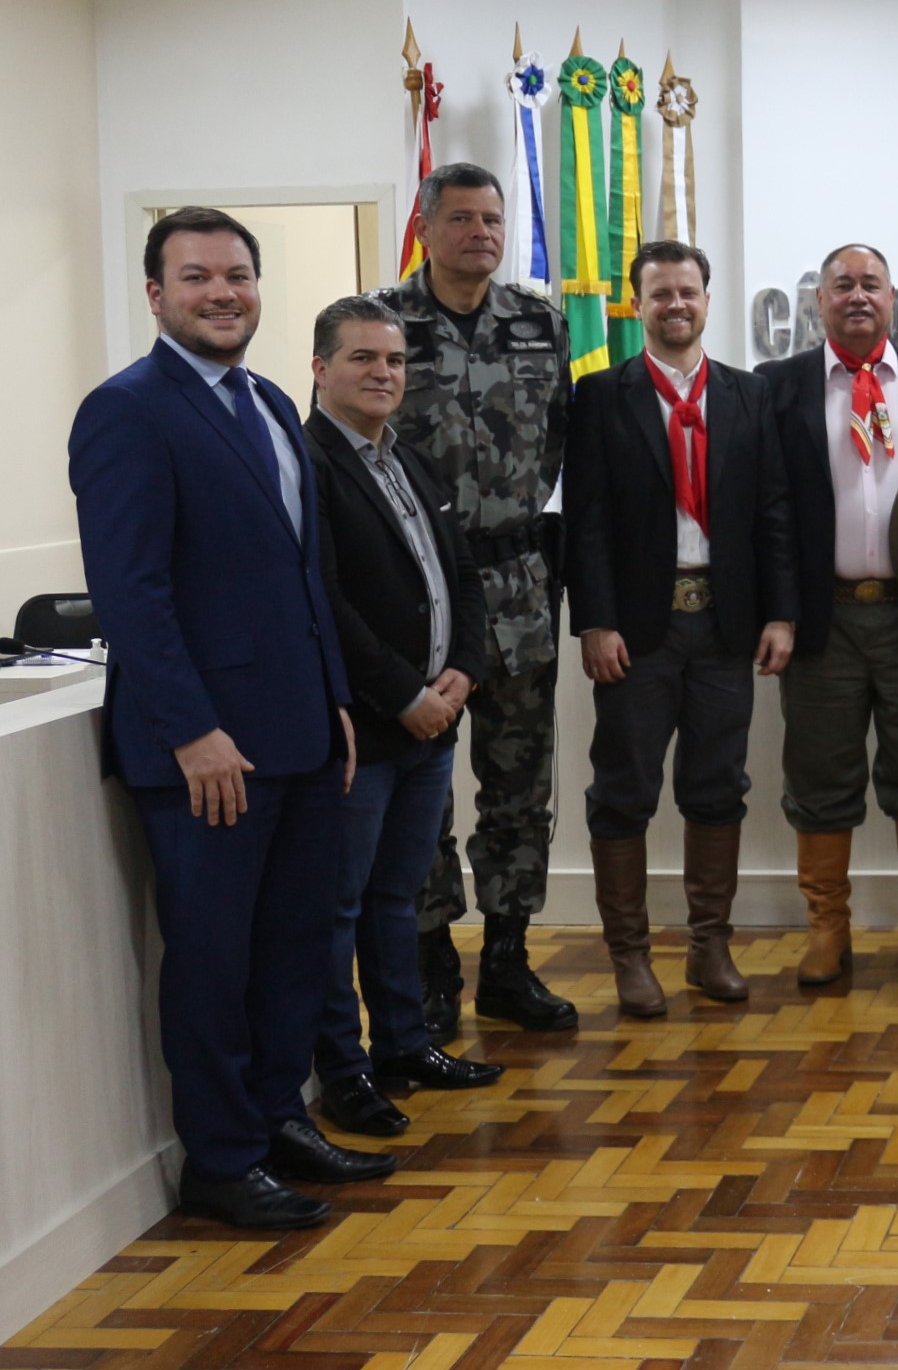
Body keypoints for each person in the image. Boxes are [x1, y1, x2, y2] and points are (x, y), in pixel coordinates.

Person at [70, 207, 393, 1229]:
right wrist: (190, 728)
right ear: (156, 294)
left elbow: (304, 575)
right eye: (197, 276)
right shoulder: (127, 411)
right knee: (213, 961)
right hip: (206, 752)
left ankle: (276, 1118)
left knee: (293, 950)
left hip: (302, 733)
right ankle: (219, 1158)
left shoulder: (269, 401)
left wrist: (336, 699)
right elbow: (133, 592)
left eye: (238, 275)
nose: (222, 292)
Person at [566, 242, 798, 1016]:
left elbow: (774, 510)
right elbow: (586, 521)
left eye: (687, 291)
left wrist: (781, 612)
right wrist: (594, 621)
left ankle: (709, 947)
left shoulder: (748, 394)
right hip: (638, 629)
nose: (675, 304)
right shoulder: (602, 395)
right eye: (659, 292)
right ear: (637, 303)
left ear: (706, 299)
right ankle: (630, 958)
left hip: (726, 626)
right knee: (623, 791)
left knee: (717, 787)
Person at [379, 162, 577, 1039]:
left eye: (492, 219)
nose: (480, 233)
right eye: (460, 218)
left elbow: (559, 439)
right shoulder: (381, 323)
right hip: (417, 592)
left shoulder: (540, 321)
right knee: (422, 790)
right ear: (425, 227)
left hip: (518, 586)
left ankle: (506, 961)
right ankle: (431, 968)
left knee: (519, 784)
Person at [302, 295, 504, 1140]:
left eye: (392, 360)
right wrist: (403, 694)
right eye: (362, 358)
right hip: (367, 727)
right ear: (321, 368)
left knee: (398, 893)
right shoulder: (307, 465)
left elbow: (461, 576)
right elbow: (326, 601)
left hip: (433, 720)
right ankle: (343, 1072)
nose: (382, 373)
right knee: (337, 906)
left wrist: (464, 671)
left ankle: (403, 1044)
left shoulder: (408, 458)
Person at [760, 244, 898, 983]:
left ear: (892, 299)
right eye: (842, 284)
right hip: (820, 624)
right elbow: (767, 507)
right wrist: (778, 610)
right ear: (818, 299)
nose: (858, 295)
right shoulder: (778, 384)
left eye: (871, 284)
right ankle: (828, 930)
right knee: (820, 779)